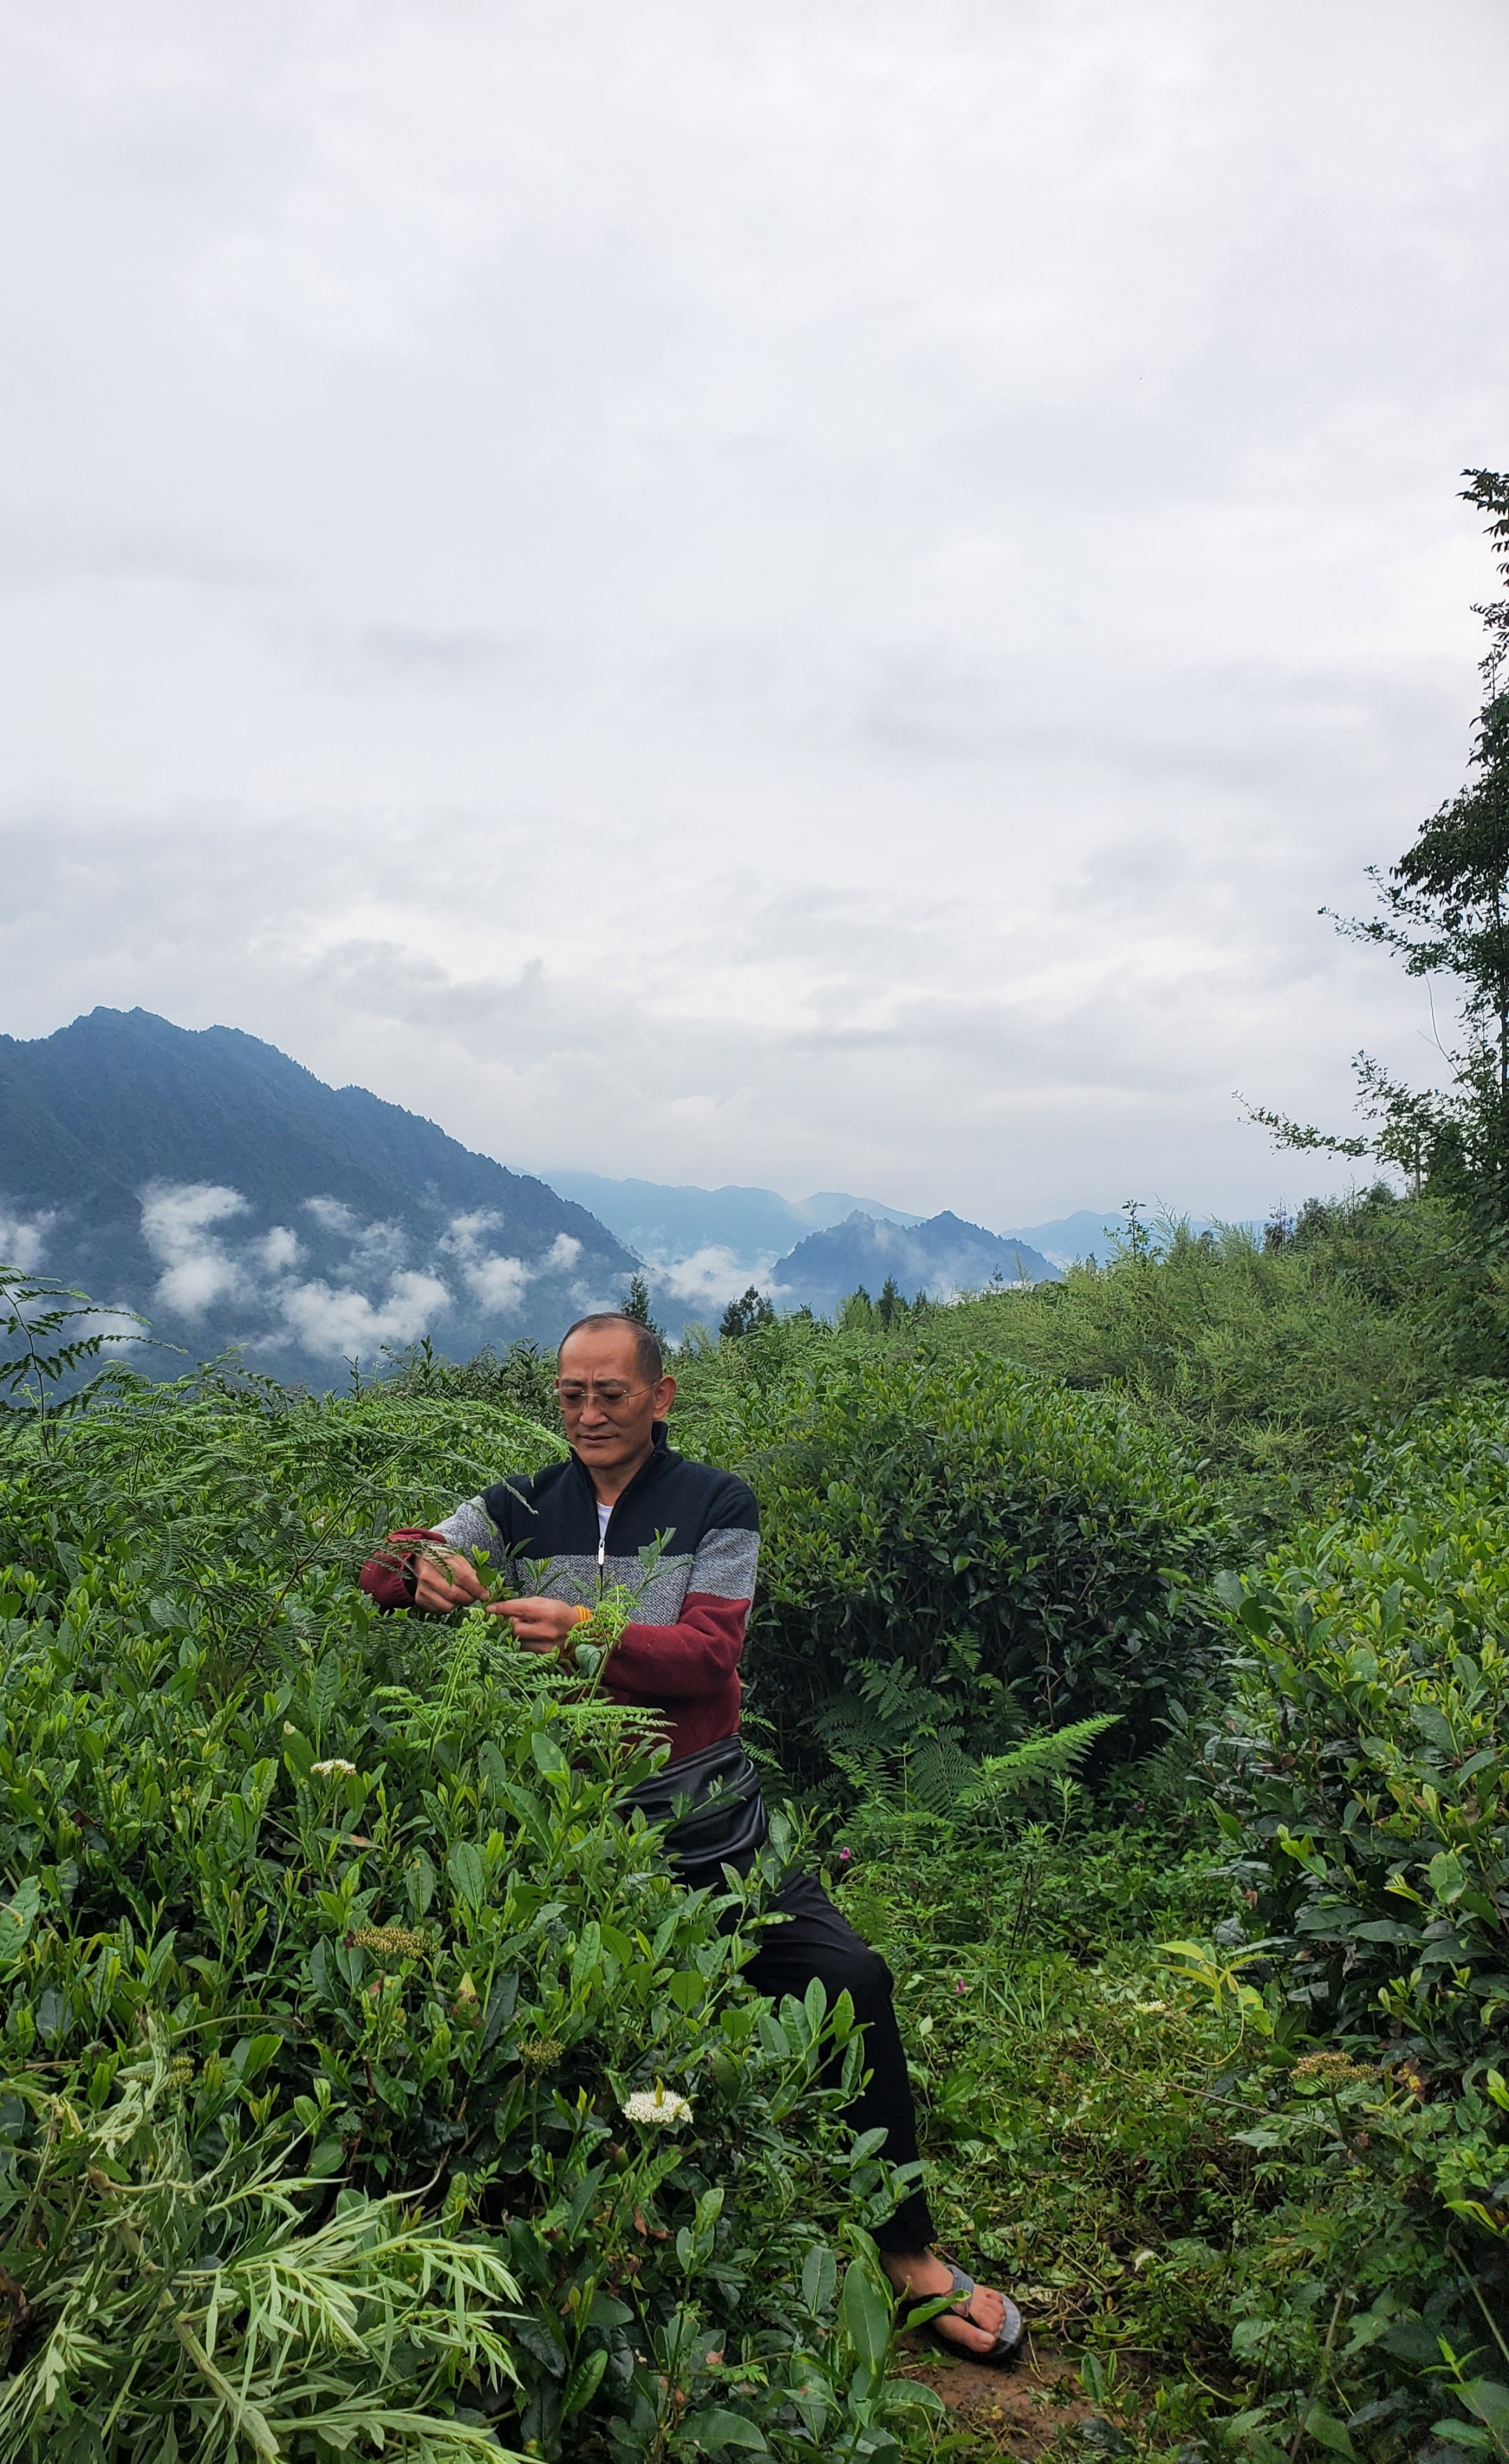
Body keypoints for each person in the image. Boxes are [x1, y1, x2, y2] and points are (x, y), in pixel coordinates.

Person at [360, 1310, 1021, 2362]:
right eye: (571, 1393)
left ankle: (907, 2255)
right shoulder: (520, 1501)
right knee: (602, 2027)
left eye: (610, 1393)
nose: (587, 1413)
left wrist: (592, 1630)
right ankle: (620, 2255)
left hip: (709, 1811)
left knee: (852, 1974)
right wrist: (418, 1572)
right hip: (565, 1822)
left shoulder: (718, 1502)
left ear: (660, 1397)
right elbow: (388, 1567)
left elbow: (710, 1657)